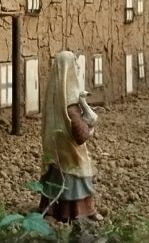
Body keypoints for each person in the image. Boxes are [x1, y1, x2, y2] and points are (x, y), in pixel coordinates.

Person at [39, 51, 102, 222]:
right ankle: (77, 211)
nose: (78, 67)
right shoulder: (71, 103)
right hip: (71, 155)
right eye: (75, 64)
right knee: (77, 178)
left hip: (55, 152)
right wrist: (89, 131)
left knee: (55, 178)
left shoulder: (53, 99)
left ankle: (51, 209)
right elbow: (80, 136)